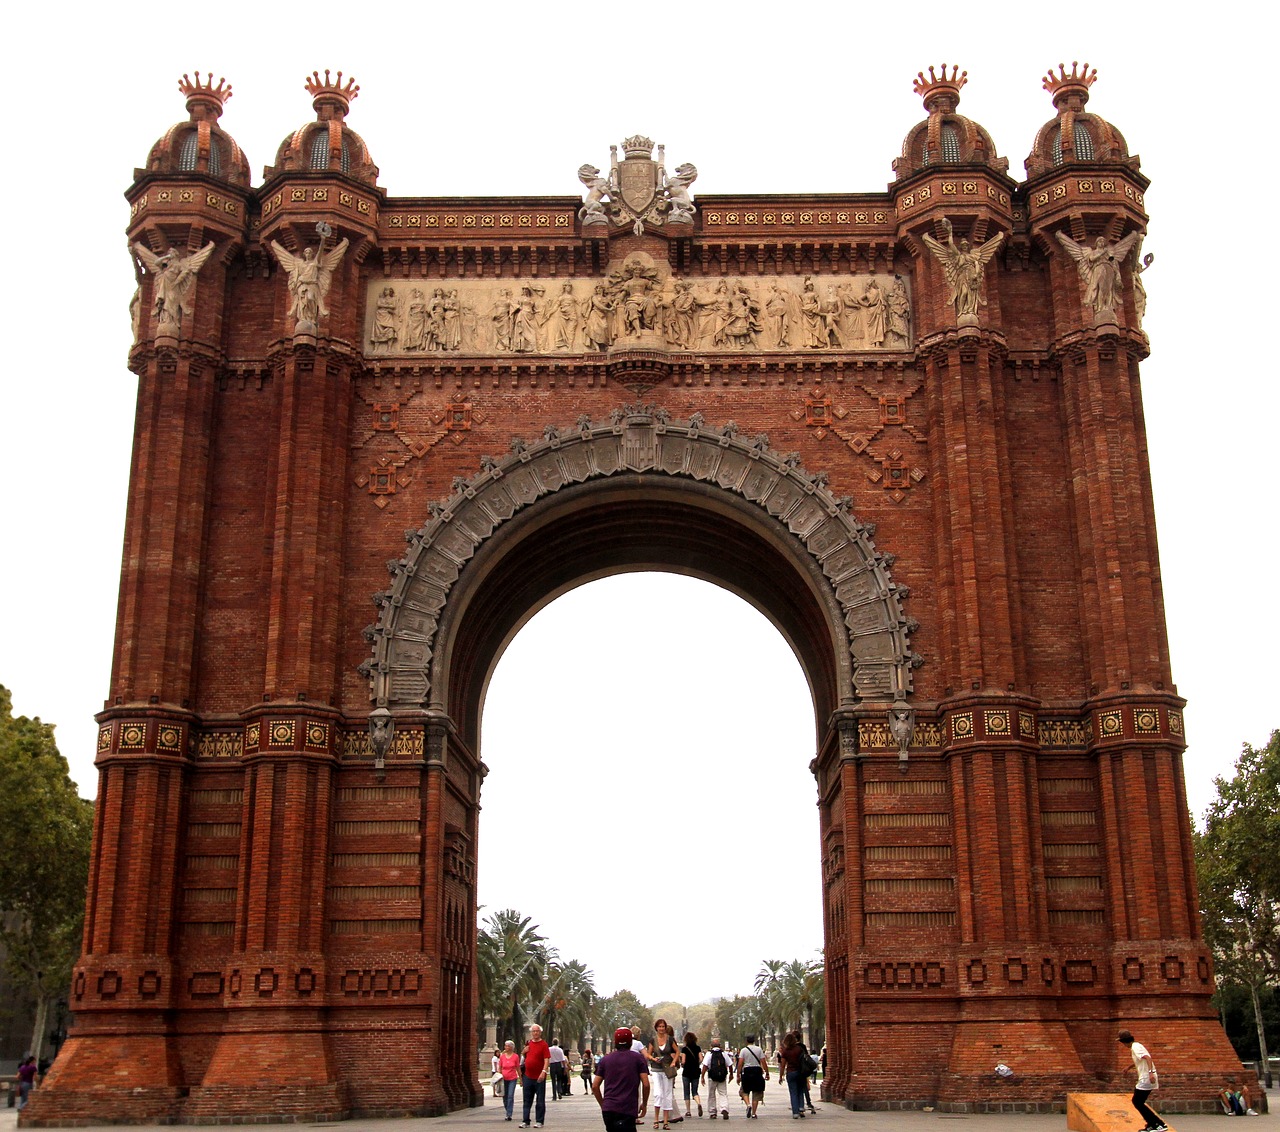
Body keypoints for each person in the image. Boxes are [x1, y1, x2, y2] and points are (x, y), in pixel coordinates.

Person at [593, 1026, 651, 1132]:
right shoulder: (638, 1059)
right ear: (630, 1042)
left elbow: (595, 1085)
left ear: (615, 1042)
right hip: (628, 1108)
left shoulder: (606, 1060)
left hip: (609, 1109)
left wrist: (603, 1104)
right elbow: (646, 1084)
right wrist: (644, 1104)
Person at [1117, 1030, 1165, 1132]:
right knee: (1139, 1102)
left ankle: (1156, 1125)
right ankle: (1157, 1124)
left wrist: (1150, 1073)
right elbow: (1140, 1060)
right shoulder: (1137, 1046)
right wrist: (1129, 1067)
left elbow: (1148, 1058)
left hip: (1146, 1078)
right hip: (1147, 1077)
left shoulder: (1135, 1047)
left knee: (1137, 1101)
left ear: (1124, 1042)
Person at [647, 1018, 682, 1129]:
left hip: (667, 1069)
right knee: (658, 1093)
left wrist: (673, 1062)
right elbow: (648, 1054)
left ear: (665, 1028)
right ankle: (656, 1119)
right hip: (657, 1069)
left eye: (663, 1026)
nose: (661, 1028)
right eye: (659, 1026)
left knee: (667, 1094)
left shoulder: (670, 1039)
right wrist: (653, 1058)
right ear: (656, 1028)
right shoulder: (653, 1040)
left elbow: (677, 1051)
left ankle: (666, 1121)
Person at [521, 1023, 551, 1128]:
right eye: (533, 1031)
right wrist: (523, 1051)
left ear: (540, 1032)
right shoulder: (528, 1044)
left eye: (537, 1031)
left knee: (540, 1100)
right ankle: (525, 1121)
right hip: (528, 1076)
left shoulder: (544, 1045)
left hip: (539, 1077)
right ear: (531, 1033)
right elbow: (524, 1057)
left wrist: (544, 1071)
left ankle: (539, 1121)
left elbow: (546, 1059)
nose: (535, 1033)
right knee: (527, 1099)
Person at [736, 1035, 768, 1119]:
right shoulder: (759, 1049)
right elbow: (763, 1061)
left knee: (744, 1090)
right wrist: (767, 1072)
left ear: (746, 1041)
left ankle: (748, 1104)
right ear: (754, 1041)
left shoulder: (743, 1050)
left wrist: (738, 1074)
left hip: (747, 1071)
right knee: (756, 1092)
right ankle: (754, 1113)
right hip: (757, 1071)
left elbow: (740, 1063)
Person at [701, 1038, 733, 1120]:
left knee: (711, 1094)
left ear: (711, 1046)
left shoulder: (709, 1054)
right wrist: (731, 1075)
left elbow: (705, 1066)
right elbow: (730, 1064)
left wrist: (702, 1076)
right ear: (720, 1045)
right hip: (722, 1076)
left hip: (712, 1077)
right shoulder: (724, 1053)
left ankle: (712, 1112)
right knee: (723, 1093)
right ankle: (724, 1108)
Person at [778, 1031, 807, 1119]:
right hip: (800, 1072)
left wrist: (781, 1076)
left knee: (793, 1092)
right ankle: (801, 1107)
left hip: (790, 1072)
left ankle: (795, 1112)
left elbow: (783, 1065)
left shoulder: (785, 1052)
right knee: (800, 1090)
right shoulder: (799, 1049)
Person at [680, 1032, 702, 1118]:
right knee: (695, 1091)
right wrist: (696, 1063)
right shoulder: (698, 1048)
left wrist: (682, 1064)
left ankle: (688, 1111)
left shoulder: (684, 1049)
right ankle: (699, 1103)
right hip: (695, 1071)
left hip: (686, 1072)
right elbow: (701, 1059)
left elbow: (683, 1061)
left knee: (686, 1092)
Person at [499, 1040, 521, 1120]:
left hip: (512, 1078)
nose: (506, 1047)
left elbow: (518, 1068)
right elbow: (500, 1068)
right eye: (505, 1046)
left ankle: (509, 1114)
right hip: (503, 1079)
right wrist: (498, 1077)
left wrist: (521, 1079)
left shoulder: (515, 1056)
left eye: (508, 1046)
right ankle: (507, 1109)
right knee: (505, 1096)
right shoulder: (502, 1056)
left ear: (511, 1047)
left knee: (510, 1096)